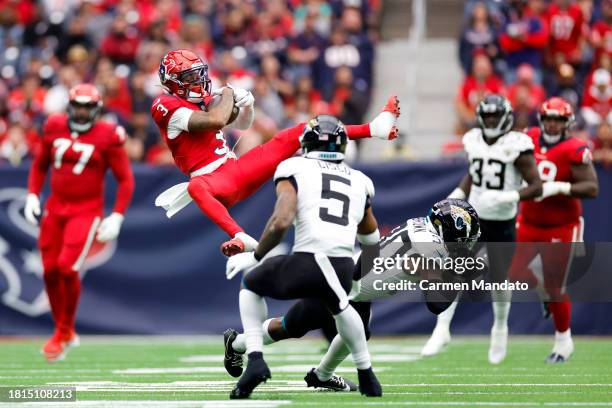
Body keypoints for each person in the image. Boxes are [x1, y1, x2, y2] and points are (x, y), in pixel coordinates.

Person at [150, 49, 399, 257]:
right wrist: (228, 92)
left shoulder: (200, 101)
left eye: (199, 74)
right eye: (191, 77)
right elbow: (216, 120)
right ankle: (239, 235)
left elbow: (242, 125)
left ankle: (373, 128)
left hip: (236, 170)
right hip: (213, 182)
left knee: (298, 132)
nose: (199, 81)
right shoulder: (165, 106)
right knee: (196, 188)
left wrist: (247, 104)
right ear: (174, 82)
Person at [223, 198, 481, 392]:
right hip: (344, 284)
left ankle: (321, 375)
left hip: (355, 282)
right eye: (463, 238)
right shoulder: (430, 250)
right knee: (293, 326)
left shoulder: (423, 228)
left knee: (339, 330)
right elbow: (436, 304)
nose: (465, 244)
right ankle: (238, 344)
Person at [224, 115, 382, 399]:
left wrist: (257, 255)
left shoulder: (294, 167)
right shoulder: (360, 181)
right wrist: (359, 278)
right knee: (312, 319)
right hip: (343, 269)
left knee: (251, 284)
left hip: (308, 263)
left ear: (306, 143)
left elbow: (281, 220)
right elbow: (371, 239)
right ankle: (367, 374)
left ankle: (256, 360)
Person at [422, 94, 543, 364]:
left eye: (494, 116)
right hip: (473, 218)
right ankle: (441, 330)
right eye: (486, 116)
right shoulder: (473, 140)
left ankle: (500, 328)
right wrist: (456, 194)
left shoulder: (517, 144)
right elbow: (474, 175)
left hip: (502, 221)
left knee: (499, 280)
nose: (489, 120)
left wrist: (508, 196)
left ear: (505, 118)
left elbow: (537, 186)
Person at [24, 84, 135, 362]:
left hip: (85, 211)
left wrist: (118, 214)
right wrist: (32, 196)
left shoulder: (109, 135)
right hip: (55, 207)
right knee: (49, 269)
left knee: (66, 266)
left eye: (87, 107)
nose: (82, 112)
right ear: (70, 106)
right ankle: (63, 330)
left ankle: (64, 331)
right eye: (78, 106)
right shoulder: (53, 125)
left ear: (96, 109)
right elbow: (39, 165)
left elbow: (125, 179)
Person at [509, 97, 598, 363]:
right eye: (548, 118)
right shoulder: (529, 138)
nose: (552, 124)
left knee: (556, 284)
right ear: (541, 119)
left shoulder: (575, 148)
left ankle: (563, 342)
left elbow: (592, 187)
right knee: (510, 272)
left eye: (557, 120)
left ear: (566, 122)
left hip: (561, 224)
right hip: (529, 220)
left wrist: (560, 187)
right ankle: (542, 295)